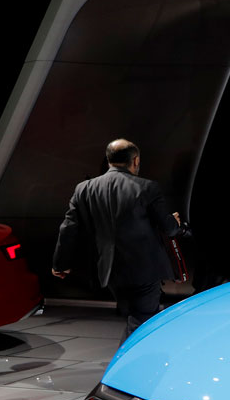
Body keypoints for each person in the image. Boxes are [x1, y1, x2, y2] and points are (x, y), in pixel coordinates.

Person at [52, 139, 180, 341]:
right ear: (135, 161)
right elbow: (170, 229)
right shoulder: (147, 188)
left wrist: (61, 264)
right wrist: (175, 221)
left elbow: (68, 229)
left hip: (109, 272)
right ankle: (127, 365)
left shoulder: (84, 189)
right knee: (141, 323)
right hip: (144, 269)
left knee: (134, 317)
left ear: (109, 159)